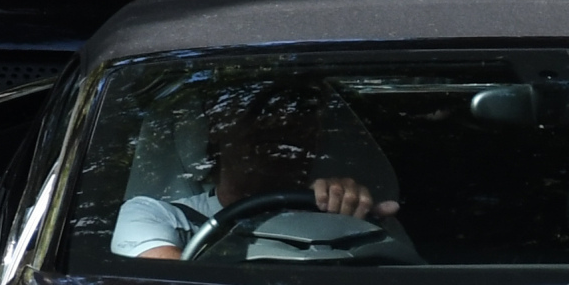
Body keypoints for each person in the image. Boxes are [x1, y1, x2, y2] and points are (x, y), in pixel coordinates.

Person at [113, 85, 397, 260]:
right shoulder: (153, 216)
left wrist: (356, 217)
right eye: (259, 112)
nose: (281, 120)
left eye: (300, 116)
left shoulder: (337, 214)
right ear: (217, 127)